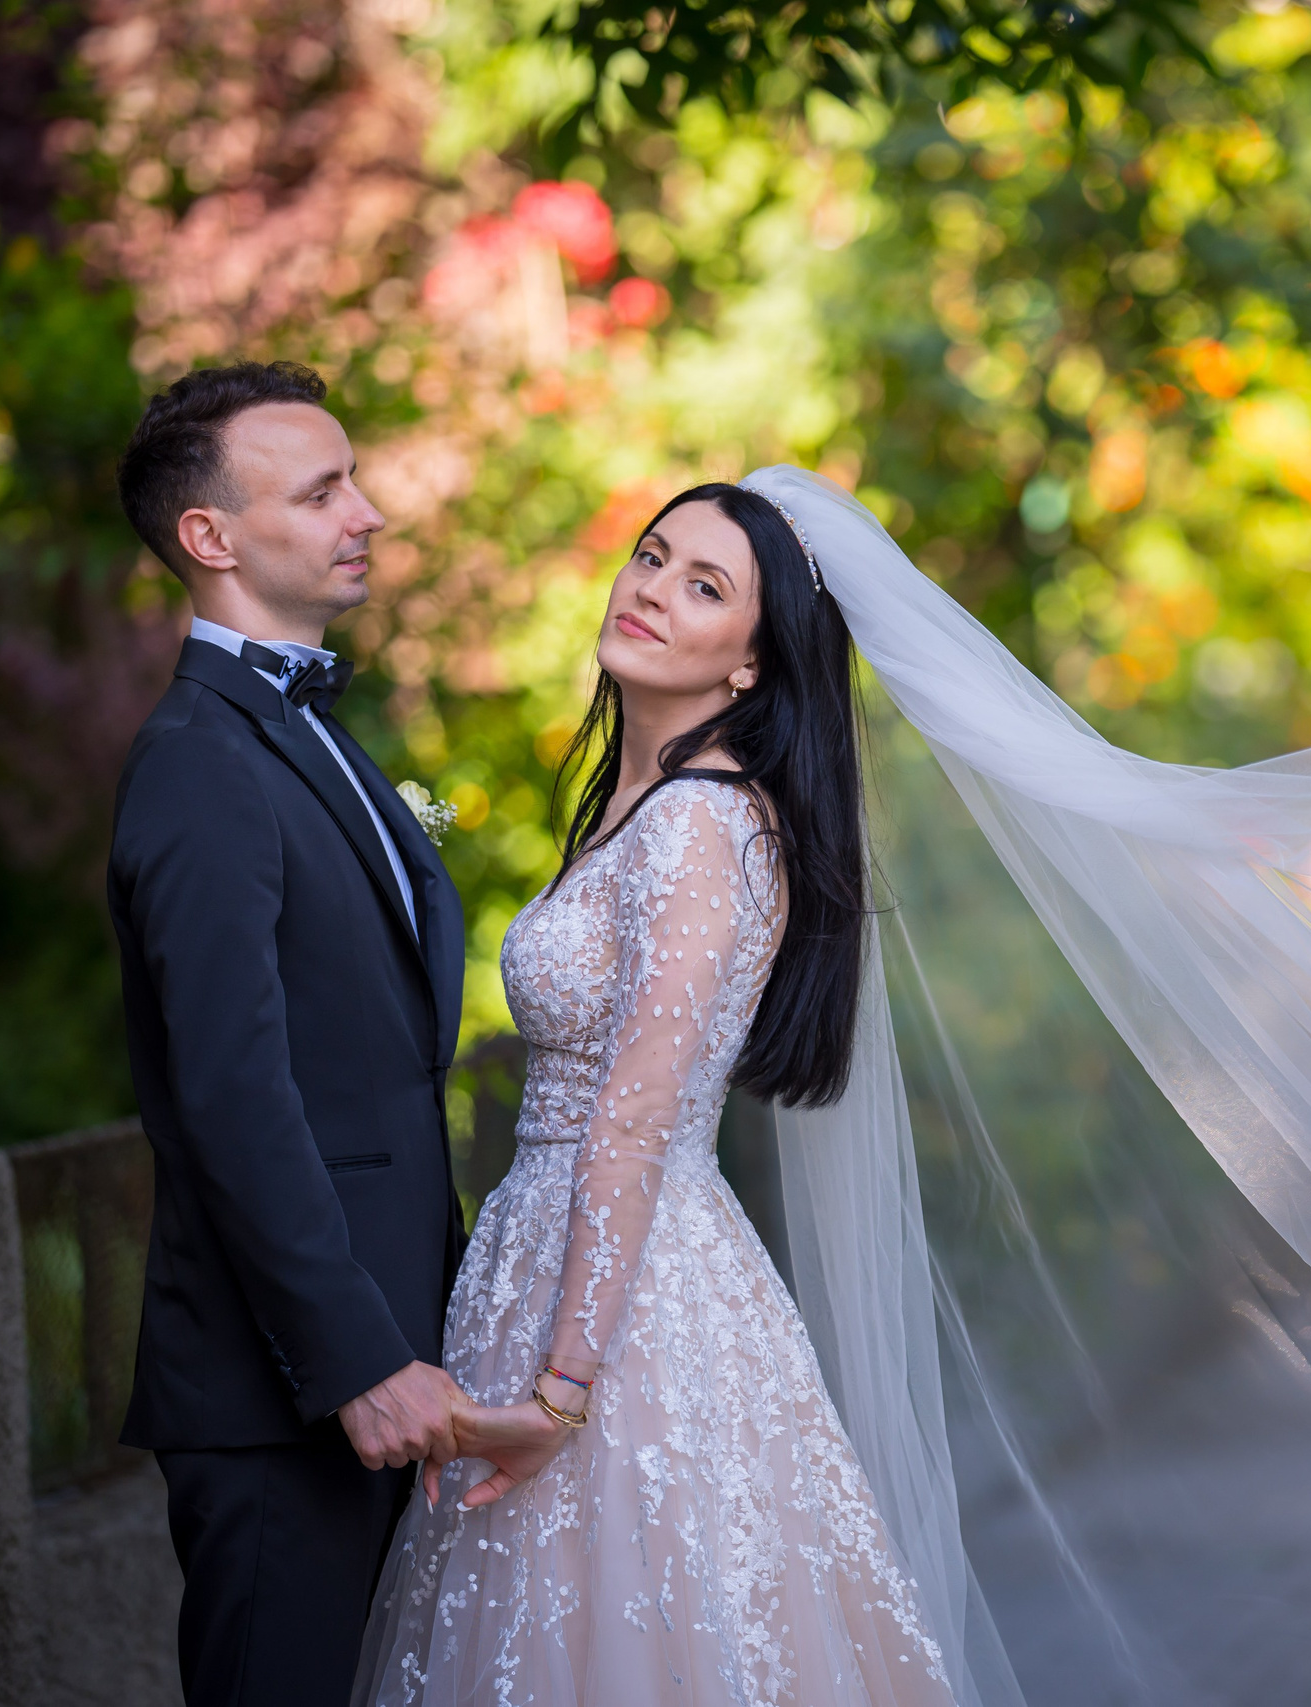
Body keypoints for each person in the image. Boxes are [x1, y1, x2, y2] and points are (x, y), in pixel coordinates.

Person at [353, 483, 953, 1706]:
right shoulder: (640, 809)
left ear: (751, 662)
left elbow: (631, 1118)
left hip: (624, 1306)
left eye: (704, 586)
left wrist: (561, 1396)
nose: (649, 589)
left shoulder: (702, 824)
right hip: (564, 1253)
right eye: (650, 554)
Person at [108, 361, 470, 1707]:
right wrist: (357, 1355)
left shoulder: (301, 728)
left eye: (354, 479)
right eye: (322, 491)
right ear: (211, 536)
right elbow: (232, 1096)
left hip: (383, 1356)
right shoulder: (202, 762)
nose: (366, 511)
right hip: (287, 1396)